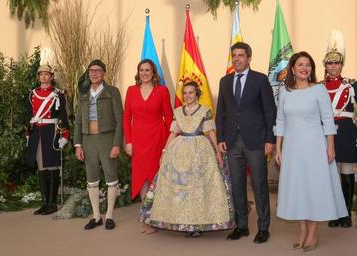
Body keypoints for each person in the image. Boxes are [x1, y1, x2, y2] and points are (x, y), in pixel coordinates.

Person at [139, 81, 234, 237]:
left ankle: (197, 224)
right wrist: (164, 150)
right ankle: (182, 221)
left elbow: (210, 132)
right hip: (179, 150)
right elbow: (173, 133)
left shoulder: (205, 111)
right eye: (185, 93)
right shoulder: (177, 112)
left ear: (197, 94)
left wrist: (217, 150)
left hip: (200, 151)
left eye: (191, 92)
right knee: (179, 186)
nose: (188, 96)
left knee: (197, 188)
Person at [275, 51, 348, 252]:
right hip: (292, 149)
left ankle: (313, 232)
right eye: (300, 64)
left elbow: (328, 120)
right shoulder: (285, 92)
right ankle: (302, 232)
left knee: (315, 188)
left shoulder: (319, 90)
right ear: (292, 68)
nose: (304, 68)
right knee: (298, 188)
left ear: (312, 69)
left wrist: (330, 146)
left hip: (316, 147)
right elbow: (280, 121)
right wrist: (278, 148)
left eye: (308, 65)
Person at [216, 42, 276, 243]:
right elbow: (221, 114)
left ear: (249, 58)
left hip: (256, 141)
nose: (236, 59)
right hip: (232, 142)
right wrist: (220, 139)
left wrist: (270, 139)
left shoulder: (260, 79)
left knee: (259, 184)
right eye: (234, 55)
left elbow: (270, 111)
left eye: (240, 55)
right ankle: (241, 226)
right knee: (237, 185)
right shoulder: (225, 81)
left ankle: (263, 228)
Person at [123, 59, 173, 231]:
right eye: (141, 70)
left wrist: (169, 144)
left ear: (153, 73)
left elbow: (169, 118)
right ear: (138, 72)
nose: (144, 73)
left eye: (148, 70)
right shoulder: (131, 91)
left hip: (157, 138)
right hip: (138, 139)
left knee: (156, 177)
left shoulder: (162, 91)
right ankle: (147, 217)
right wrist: (128, 141)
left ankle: (159, 216)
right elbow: (125, 118)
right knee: (142, 178)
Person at [74, 59, 123, 230]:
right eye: (91, 71)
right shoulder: (84, 94)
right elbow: (78, 122)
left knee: (111, 176)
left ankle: (109, 215)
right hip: (88, 140)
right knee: (91, 178)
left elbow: (120, 120)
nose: (94, 73)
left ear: (103, 73)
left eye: (98, 70)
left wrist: (117, 144)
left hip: (107, 139)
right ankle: (96, 217)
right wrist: (78, 144)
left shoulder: (112, 92)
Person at [322, 31, 357, 228]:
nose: (333, 66)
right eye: (330, 63)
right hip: (326, 133)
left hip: (345, 131)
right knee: (330, 175)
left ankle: (345, 215)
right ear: (325, 65)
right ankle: (333, 213)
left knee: (345, 172)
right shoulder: (318, 87)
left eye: (336, 63)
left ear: (341, 65)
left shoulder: (352, 85)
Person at [26, 64, 70, 215]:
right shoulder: (32, 94)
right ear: (38, 77)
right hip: (36, 133)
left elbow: (63, 116)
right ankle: (45, 203)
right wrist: (28, 132)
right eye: (41, 74)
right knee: (41, 167)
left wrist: (64, 135)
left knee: (52, 166)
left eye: (47, 74)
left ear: (51, 76)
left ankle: (52, 204)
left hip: (51, 132)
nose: (44, 77)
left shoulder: (58, 94)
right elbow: (28, 115)